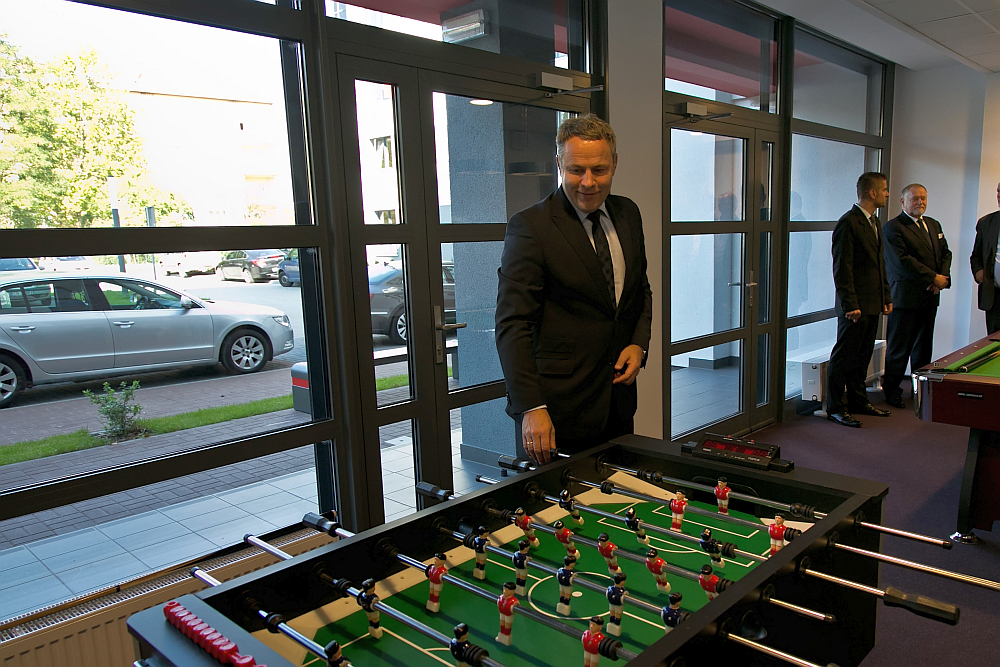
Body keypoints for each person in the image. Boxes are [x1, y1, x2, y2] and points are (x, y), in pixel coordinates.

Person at [496, 114, 653, 464]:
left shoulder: (628, 213)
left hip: (618, 402)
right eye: (576, 170)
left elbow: (640, 289)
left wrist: (638, 343)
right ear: (559, 164)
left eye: (599, 170)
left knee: (618, 489)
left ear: (615, 163)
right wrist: (531, 407)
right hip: (556, 413)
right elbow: (513, 324)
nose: (588, 182)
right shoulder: (531, 226)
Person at [827, 172, 893, 428]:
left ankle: (858, 400)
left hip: (872, 302)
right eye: (884, 189)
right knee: (844, 356)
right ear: (872, 193)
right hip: (854, 306)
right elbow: (842, 268)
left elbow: (879, 264)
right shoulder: (848, 222)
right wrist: (850, 304)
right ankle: (835, 407)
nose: (887, 193)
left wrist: (885, 296)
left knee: (862, 355)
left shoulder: (874, 222)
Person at [881, 184, 951, 408]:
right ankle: (892, 391)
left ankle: (919, 390)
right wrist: (932, 278)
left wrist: (942, 278)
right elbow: (902, 262)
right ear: (903, 202)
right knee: (899, 349)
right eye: (914, 199)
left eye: (923, 198)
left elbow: (945, 253)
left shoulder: (933, 224)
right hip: (905, 298)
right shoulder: (893, 228)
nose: (920, 202)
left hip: (930, 297)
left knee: (923, 349)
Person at [971, 182, 1000, 333]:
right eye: (998, 191)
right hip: (994, 296)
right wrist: (978, 272)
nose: (999, 195)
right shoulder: (986, 223)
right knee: (994, 341)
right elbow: (976, 256)